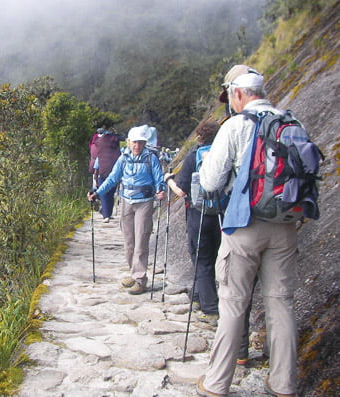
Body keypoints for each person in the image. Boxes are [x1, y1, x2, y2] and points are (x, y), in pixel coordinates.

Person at [196, 65, 298, 397]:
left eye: (231, 97)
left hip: (243, 226)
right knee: (281, 302)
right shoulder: (290, 123)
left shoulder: (237, 125)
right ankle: (283, 384)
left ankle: (216, 383)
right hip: (284, 226)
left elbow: (210, 181)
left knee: (233, 302)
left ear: (238, 93)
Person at [87, 125, 166, 295]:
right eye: (134, 142)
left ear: (144, 143)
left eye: (140, 142)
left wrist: (160, 190)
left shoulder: (151, 158)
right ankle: (134, 272)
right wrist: (97, 192)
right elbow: (113, 178)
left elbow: (159, 179)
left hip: (144, 202)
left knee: (141, 241)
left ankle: (140, 279)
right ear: (129, 142)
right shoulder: (123, 158)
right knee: (129, 243)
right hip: (127, 202)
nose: (137, 145)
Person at [164, 121, 221, 326]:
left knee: (202, 258)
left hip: (199, 213)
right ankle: (197, 296)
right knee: (214, 258)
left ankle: (210, 309)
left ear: (200, 137)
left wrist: (169, 179)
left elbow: (181, 191)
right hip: (223, 214)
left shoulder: (195, 156)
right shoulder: (225, 153)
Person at [92, 128, 125, 222]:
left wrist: (95, 180)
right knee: (110, 194)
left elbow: (96, 169)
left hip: (102, 174)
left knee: (105, 195)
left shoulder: (100, 154)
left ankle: (106, 215)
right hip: (114, 175)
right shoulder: (118, 154)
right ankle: (108, 214)